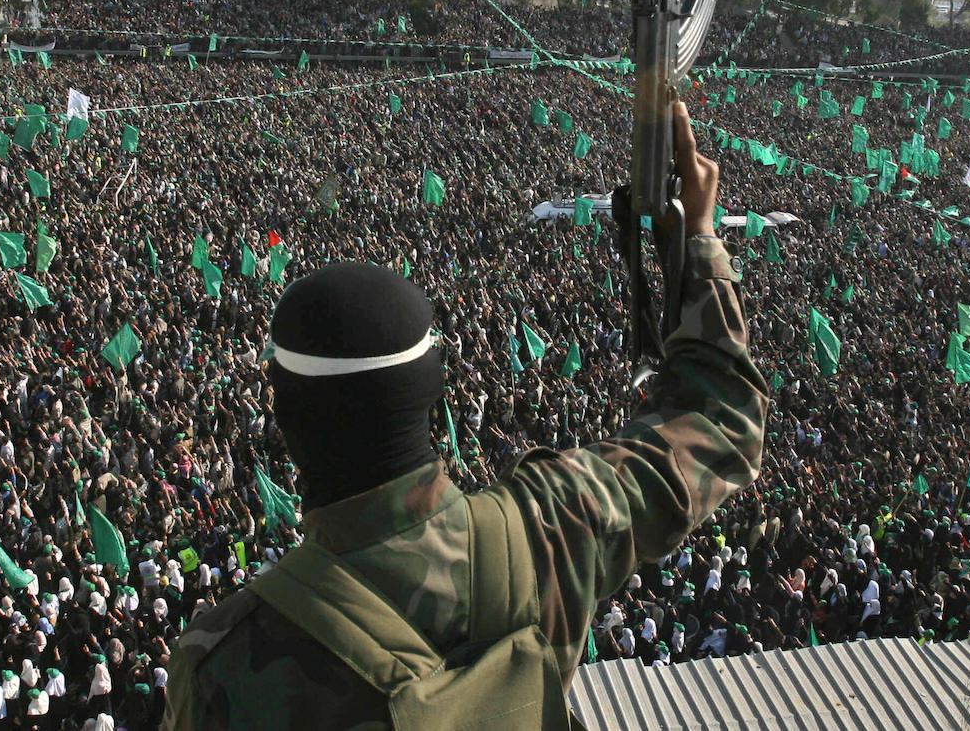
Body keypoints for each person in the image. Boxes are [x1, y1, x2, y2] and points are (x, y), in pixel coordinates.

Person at [162, 101, 769, 730]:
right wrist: (695, 236)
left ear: (285, 420)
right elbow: (722, 418)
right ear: (432, 396)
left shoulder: (218, 663)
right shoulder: (550, 530)